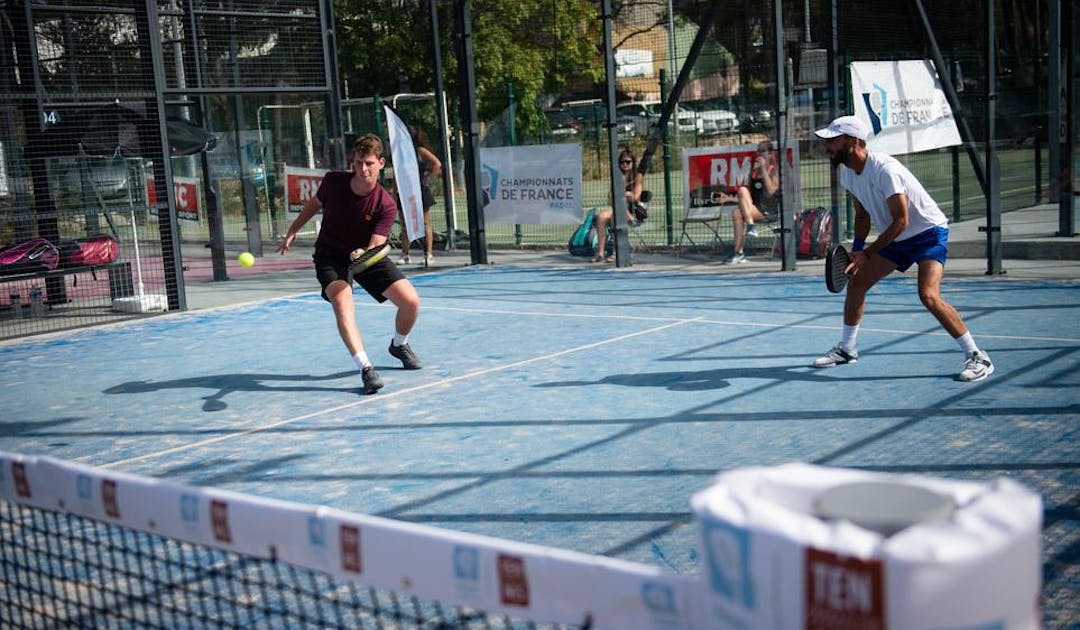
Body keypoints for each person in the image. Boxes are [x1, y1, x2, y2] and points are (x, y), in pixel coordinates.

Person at [811, 115, 994, 382]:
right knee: (857, 283)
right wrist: (857, 250)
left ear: (852, 141)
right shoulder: (847, 173)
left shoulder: (885, 169)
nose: (827, 146)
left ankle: (977, 356)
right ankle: (848, 349)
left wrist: (868, 254)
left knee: (928, 295)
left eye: (832, 140)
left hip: (928, 233)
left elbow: (902, 220)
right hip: (897, 239)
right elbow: (862, 215)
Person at [278, 133, 423, 395]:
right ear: (352, 162)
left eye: (368, 163)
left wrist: (363, 253)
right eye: (357, 163)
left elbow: (376, 244)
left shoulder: (385, 204)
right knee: (343, 302)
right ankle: (366, 369)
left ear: (381, 163)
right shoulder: (333, 182)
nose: (362, 169)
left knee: (411, 302)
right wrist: (293, 230)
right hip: (330, 256)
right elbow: (313, 205)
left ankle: (399, 344)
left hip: (368, 257)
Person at [712, 140, 778, 264]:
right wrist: (729, 199)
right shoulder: (753, 172)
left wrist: (764, 168)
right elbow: (746, 199)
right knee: (737, 209)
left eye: (762, 151)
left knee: (739, 209)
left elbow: (771, 191)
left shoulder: (774, 171)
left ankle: (749, 229)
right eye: (758, 150)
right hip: (754, 209)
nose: (759, 153)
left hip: (770, 209)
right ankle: (740, 251)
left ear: (770, 153)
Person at [398, 126, 442, 266]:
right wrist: (394, 191)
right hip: (404, 191)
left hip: (420, 191)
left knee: (424, 223)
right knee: (405, 224)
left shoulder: (420, 151)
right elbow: (396, 174)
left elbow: (437, 164)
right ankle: (405, 255)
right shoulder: (399, 153)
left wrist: (427, 178)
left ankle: (428, 254)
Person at [592, 148, 645, 263]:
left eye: (627, 162)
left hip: (633, 211)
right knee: (600, 217)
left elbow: (635, 197)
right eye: (622, 162)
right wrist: (625, 194)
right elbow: (610, 199)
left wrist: (620, 195)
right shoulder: (617, 177)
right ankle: (600, 252)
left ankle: (618, 252)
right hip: (618, 208)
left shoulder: (637, 177)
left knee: (615, 217)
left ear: (633, 163)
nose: (624, 164)